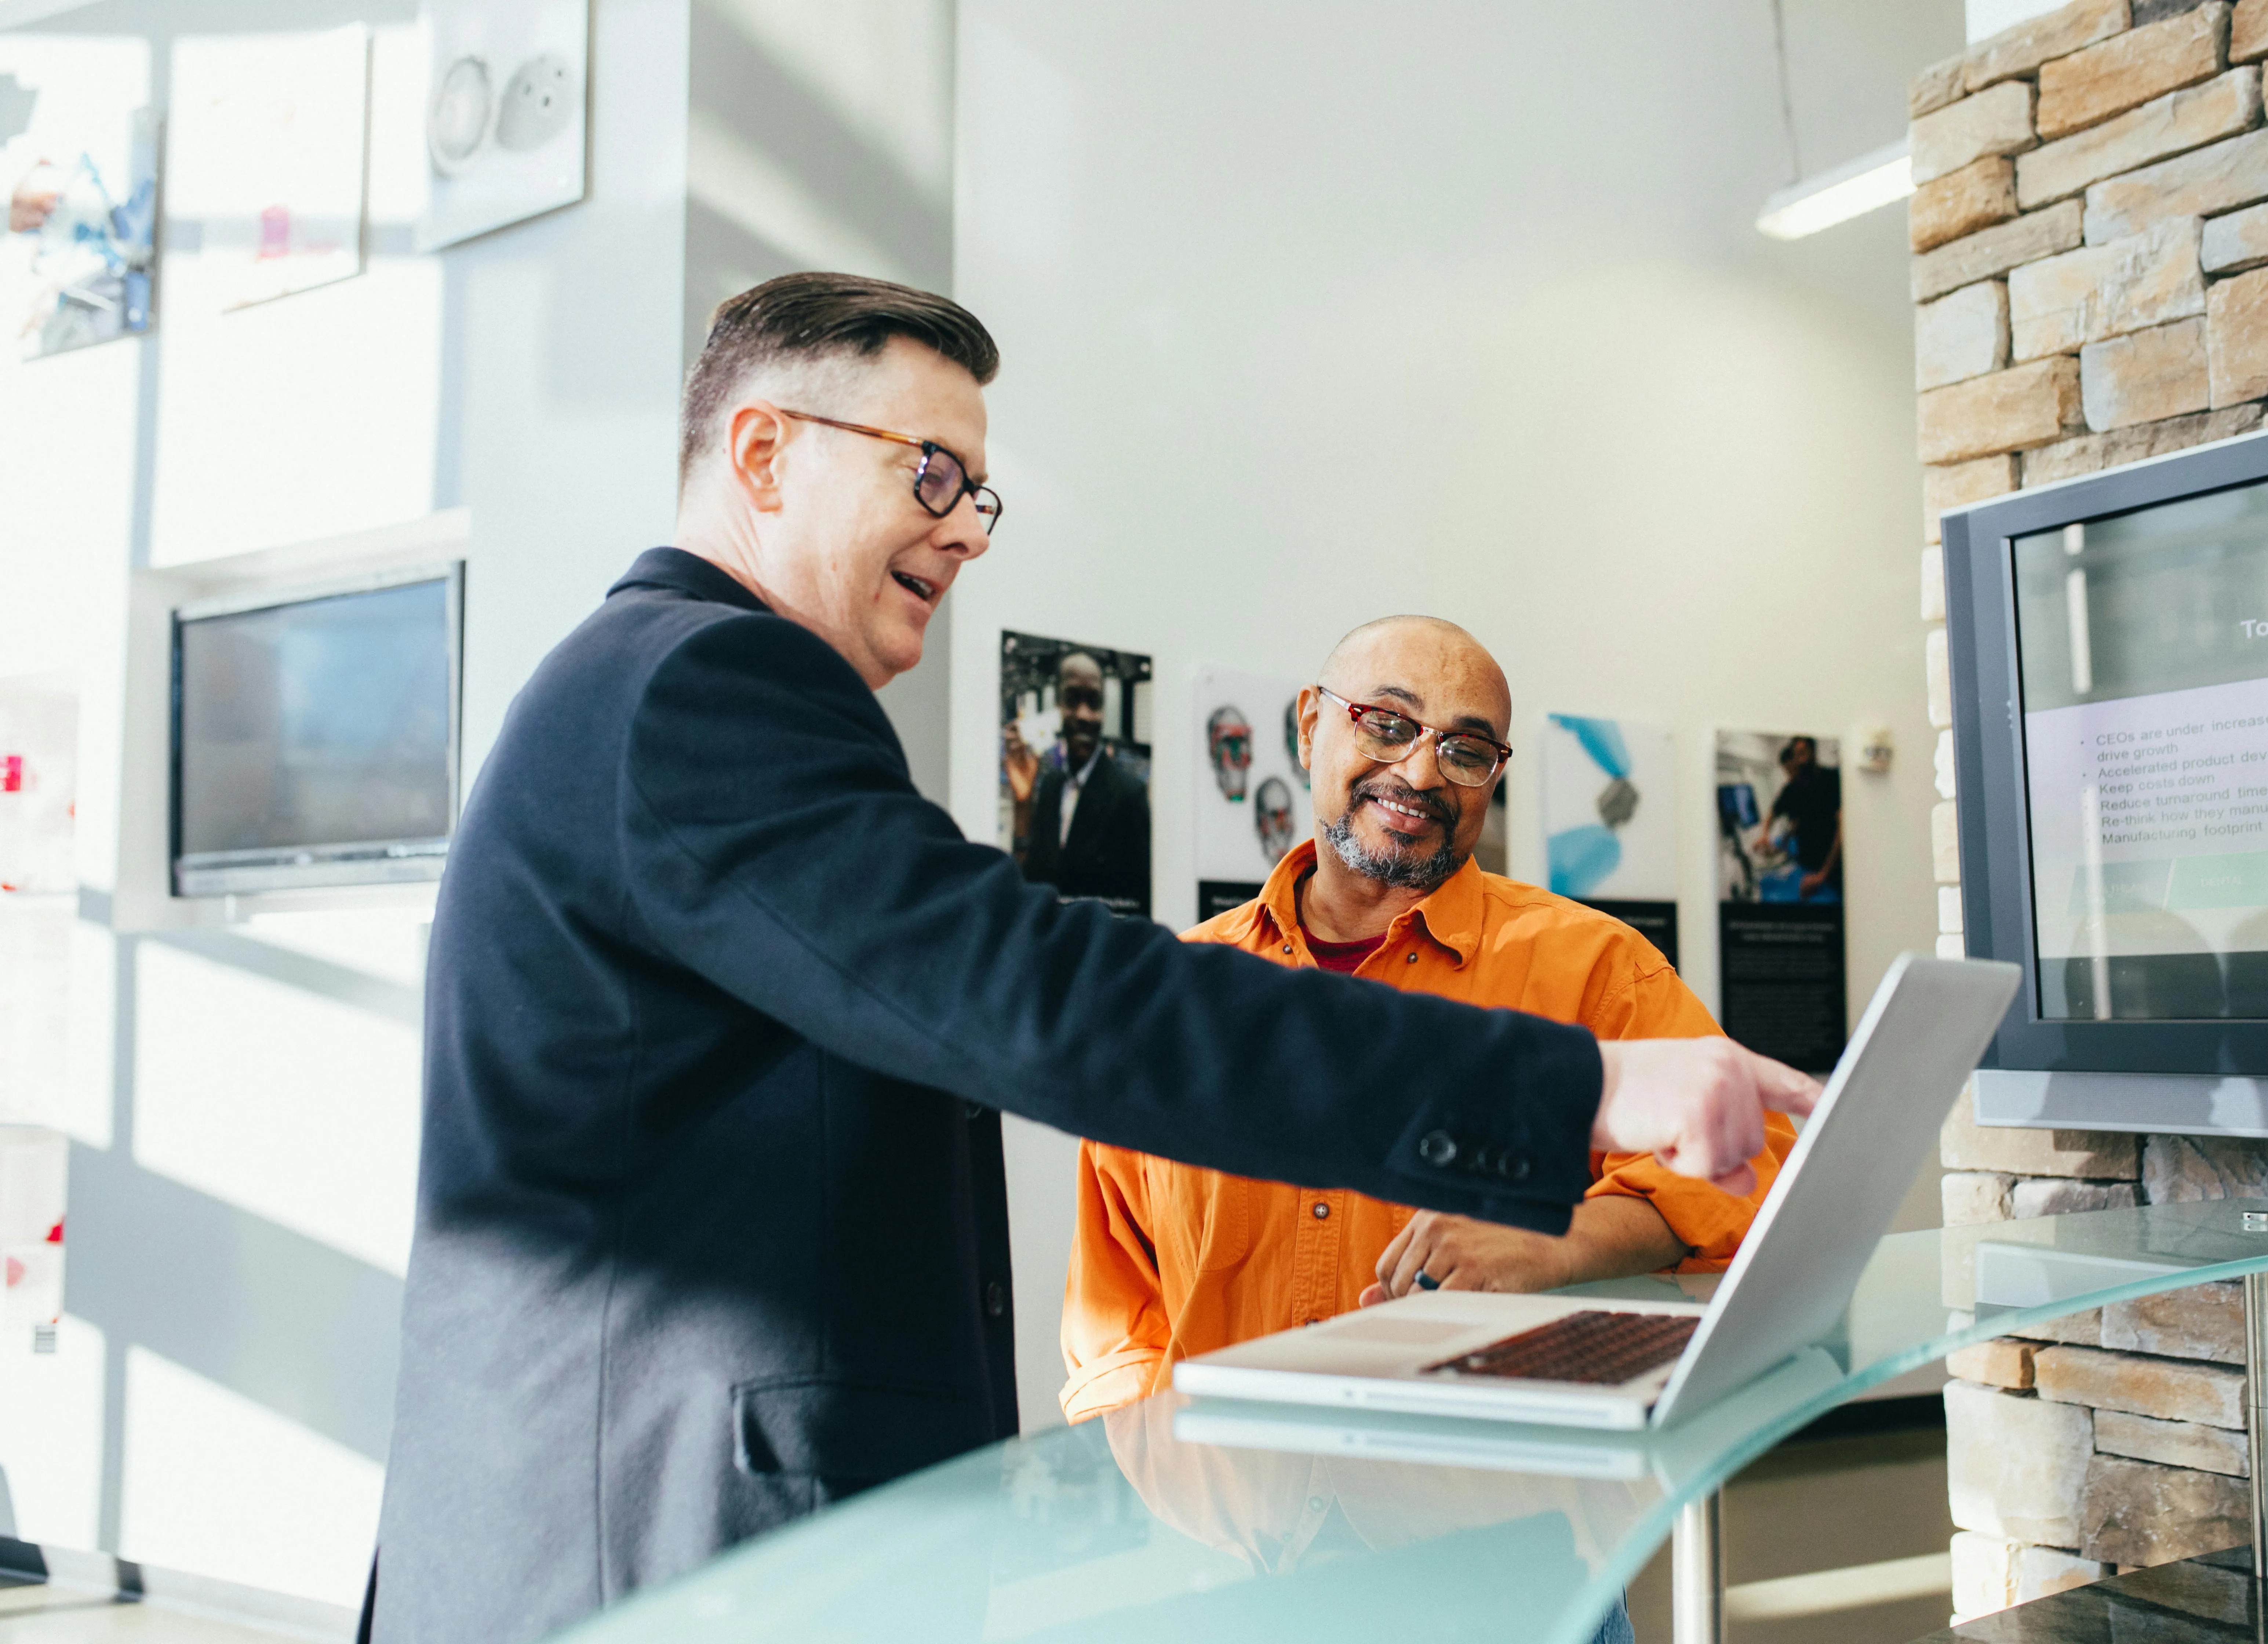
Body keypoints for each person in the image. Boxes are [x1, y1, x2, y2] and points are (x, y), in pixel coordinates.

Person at [364, 273, 1819, 1644]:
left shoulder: (657, 691)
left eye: (977, 489)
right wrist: (1577, 1091)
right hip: (654, 1542)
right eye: (929, 470)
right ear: (760, 455)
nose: (971, 528)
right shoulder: (702, 685)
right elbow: (1043, 997)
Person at [1060, 618, 1794, 1421]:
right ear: (1310, 726)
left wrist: (1555, 1240)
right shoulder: (1181, 993)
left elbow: (1754, 1163)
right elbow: (1115, 1311)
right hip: (1226, 1516)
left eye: (1465, 750)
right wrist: (1155, 1487)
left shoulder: (1595, 968)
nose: (1419, 771)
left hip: (1486, 1510)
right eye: (1387, 723)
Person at [1015, 650, 1151, 913]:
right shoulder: (1050, 786)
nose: (1084, 715)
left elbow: (1138, 906)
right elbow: (1032, 882)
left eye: (1094, 702)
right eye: (1073, 699)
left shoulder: (1128, 795)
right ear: (1057, 704)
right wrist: (1023, 804)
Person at [1758, 734, 1842, 902]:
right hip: (1806, 866)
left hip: (1831, 870)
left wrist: (1823, 875)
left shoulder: (1831, 779)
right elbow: (1775, 814)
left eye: (1804, 753)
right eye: (1797, 755)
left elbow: (1843, 828)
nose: (1800, 761)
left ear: (1813, 752)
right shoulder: (1792, 789)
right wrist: (1765, 836)